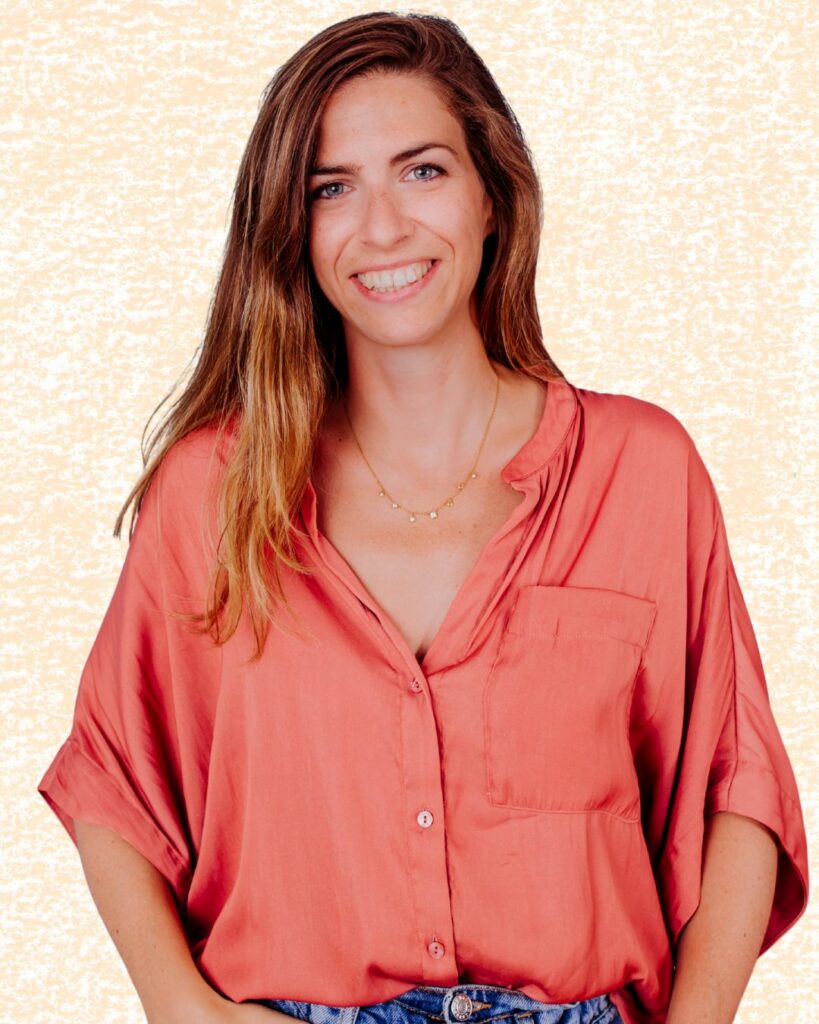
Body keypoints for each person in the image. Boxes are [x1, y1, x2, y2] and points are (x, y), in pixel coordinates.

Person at [36, 11, 808, 1024]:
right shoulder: (211, 492)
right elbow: (113, 781)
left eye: (423, 171)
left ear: (493, 195)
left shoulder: (641, 472)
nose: (383, 227)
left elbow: (735, 786)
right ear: (292, 228)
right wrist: (186, 1010)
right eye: (331, 188)